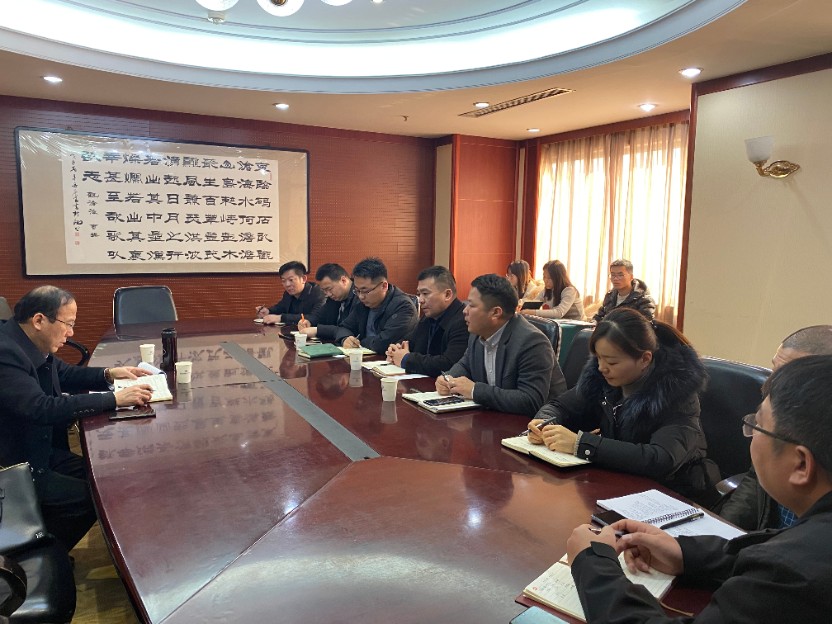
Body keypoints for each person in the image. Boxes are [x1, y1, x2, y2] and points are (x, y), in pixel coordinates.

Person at [565, 355, 832, 623]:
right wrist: (686, 555)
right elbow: (773, 549)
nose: (750, 434)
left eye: (758, 425)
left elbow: (784, 568)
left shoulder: (793, 575)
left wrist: (593, 564)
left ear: (800, 464)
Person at [0, 286, 154, 552]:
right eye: (68, 324)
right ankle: (40, 555)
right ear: (39, 320)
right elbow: (41, 408)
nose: (71, 333)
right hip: (15, 465)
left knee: (101, 480)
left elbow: (65, 373)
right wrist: (114, 399)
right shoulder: (5, 353)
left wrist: (109, 374)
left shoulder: (25, 340)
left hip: (40, 449)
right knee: (88, 500)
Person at [528, 307, 718, 504]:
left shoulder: (677, 394)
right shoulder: (601, 379)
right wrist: (544, 421)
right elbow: (561, 406)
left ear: (645, 359)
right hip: (618, 482)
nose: (601, 368)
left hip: (673, 493)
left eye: (611, 362)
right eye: (598, 358)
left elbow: (661, 459)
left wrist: (581, 445)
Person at [717, 324, 832, 530]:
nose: (769, 387)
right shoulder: (775, 418)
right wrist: (721, 531)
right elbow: (754, 486)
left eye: (789, 378)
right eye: (774, 371)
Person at [436, 274, 565, 416]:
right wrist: (448, 379)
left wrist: (474, 390)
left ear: (495, 313)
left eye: (472, 305)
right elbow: (465, 364)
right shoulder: (478, 333)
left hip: (534, 424)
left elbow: (530, 401)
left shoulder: (532, 342)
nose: (464, 311)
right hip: (495, 416)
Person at [385, 265, 468, 377]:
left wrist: (406, 359)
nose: (420, 300)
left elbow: (449, 364)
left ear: (447, 295)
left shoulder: (463, 321)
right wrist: (395, 349)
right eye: (419, 294)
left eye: (425, 294)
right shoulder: (429, 317)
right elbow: (409, 341)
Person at [333, 257, 418, 354]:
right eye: (357, 290)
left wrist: (360, 341)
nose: (361, 296)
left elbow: (383, 344)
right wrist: (345, 338)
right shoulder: (363, 303)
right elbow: (344, 327)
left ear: (384, 286)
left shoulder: (404, 307)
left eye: (365, 291)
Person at [297, 263, 357, 341]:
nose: (328, 294)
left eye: (329, 289)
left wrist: (318, 330)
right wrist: (309, 321)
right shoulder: (335, 298)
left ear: (343, 281)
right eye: (324, 290)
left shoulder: (359, 297)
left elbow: (346, 329)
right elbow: (320, 315)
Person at [256, 260, 325, 325]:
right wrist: (268, 311)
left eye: (291, 280)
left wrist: (281, 318)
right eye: (283, 281)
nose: (287, 284)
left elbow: (315, 318)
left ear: (303, 279)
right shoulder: (288, 294)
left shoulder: (318, 293)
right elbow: (281, 307)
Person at [520, 259, 584, 320]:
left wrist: (533, 312)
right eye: (544, 277)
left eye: (549, 278)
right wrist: (521, 306)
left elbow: (559, 312)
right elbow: (535, 302)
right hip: (559, 323)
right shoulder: (547, 290)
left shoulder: (569, 290)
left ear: (558, 278)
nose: (545, 280)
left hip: (577, 324)